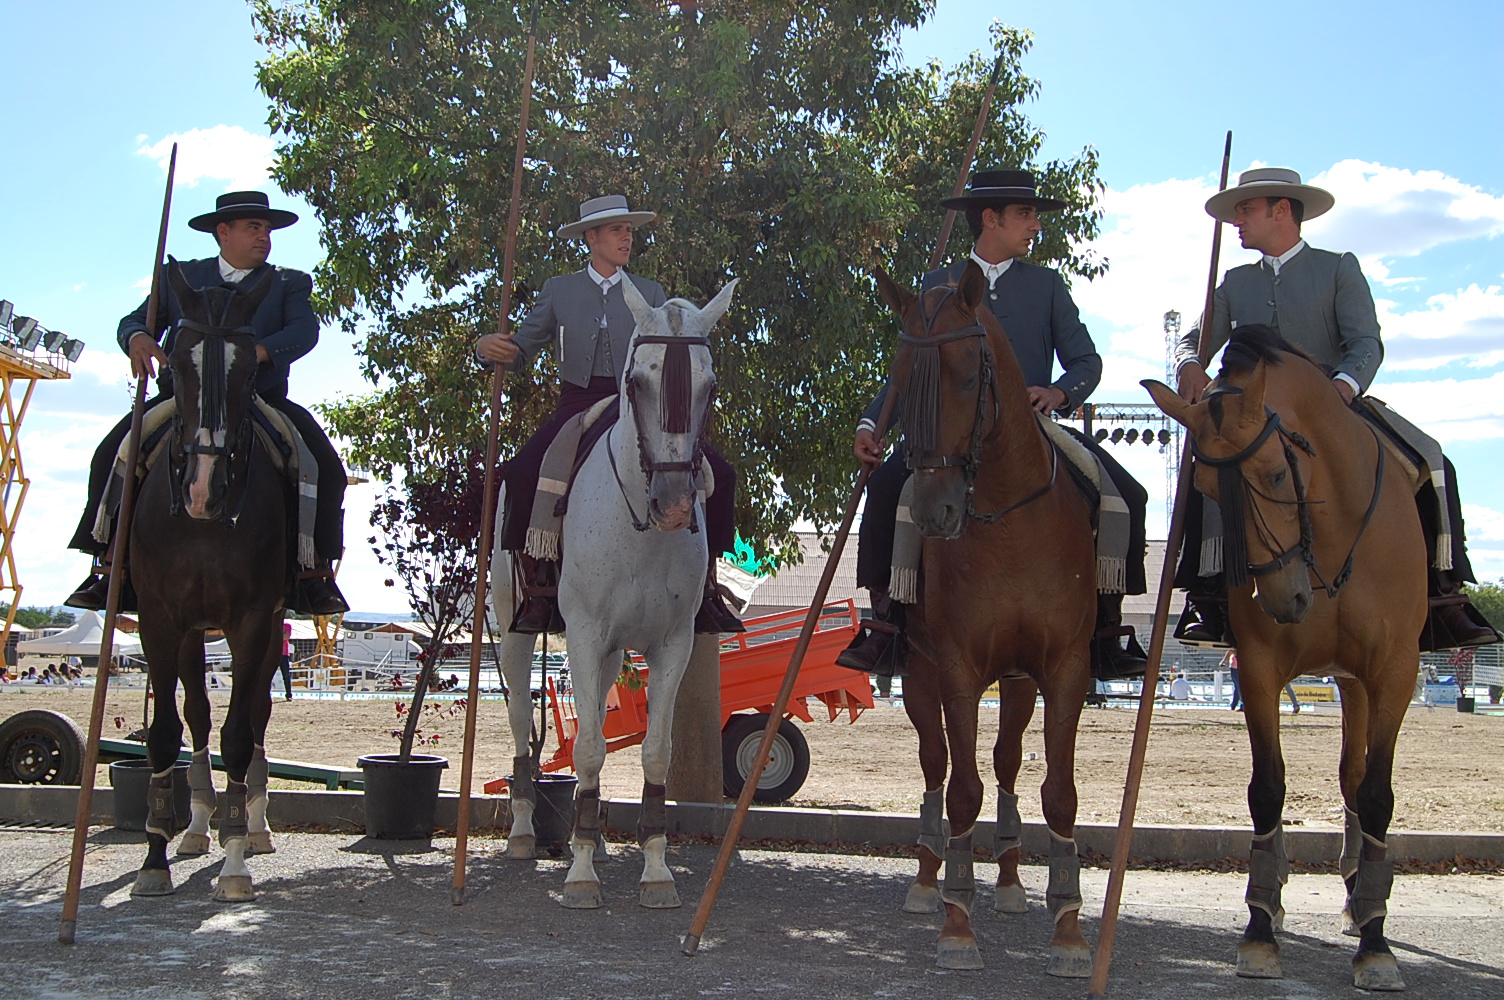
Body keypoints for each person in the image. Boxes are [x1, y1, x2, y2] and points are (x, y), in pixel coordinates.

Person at [836, 169, 1149, 679]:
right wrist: (872, 423)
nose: (1034, 227)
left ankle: (1106, 632)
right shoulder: (938, 285)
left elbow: (1086, 362)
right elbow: (908, 371)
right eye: (1026, 215)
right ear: (991, 218)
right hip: (945, 430)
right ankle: (886, 624)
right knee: (888, 487)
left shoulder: (1047, 286)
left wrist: (1058, 392)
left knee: (1126, 495)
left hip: (1030, 429)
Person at [1172, 168, 1497, 653]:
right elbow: (1191, 340)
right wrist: (1191, 363)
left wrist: (1343, 387)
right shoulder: (1234, 282)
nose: (1237, 221)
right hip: (1253, 418)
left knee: (1432, 459)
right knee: (1213, 469)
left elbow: (1365, 342)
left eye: (1246, 209)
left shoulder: (1338, 267)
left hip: (1331, 404)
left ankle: (1443, 595)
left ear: (1281, 210)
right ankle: (1210, 594)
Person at [64, 191, 349, 616]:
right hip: (184, 401)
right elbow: (135, 320)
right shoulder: (180, 277)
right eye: (254, 228)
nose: (264, 237)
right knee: (111, 453)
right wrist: (138, 337)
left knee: (325, 467)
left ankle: (315, 574)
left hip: (258, 399)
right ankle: (107, 567)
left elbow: (303, 332)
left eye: (267, 230)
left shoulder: (289, 282)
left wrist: (253, 355)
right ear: (223, 232)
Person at [476, 194, 743, 635]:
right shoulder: (558, 290)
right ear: (591, 237)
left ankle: (707, 589)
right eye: (617, 230)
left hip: (638, 406)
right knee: (522, 474)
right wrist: (488, 350)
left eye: (629, 230)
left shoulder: (649, 293)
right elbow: (521, 350)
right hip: (577, 404)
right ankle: (538, 585)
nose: (626, 238)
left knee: (723, 475)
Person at [279, 620, 294, 701]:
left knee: (286, 676)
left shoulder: (287, 625)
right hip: (273, 653)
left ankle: (289, 694)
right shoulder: (272, 623)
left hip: (284, 654)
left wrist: (276, 636)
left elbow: (287, 637)